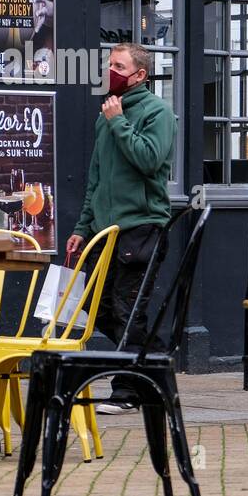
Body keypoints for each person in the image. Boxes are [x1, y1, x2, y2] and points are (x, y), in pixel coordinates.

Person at [66, 42, 176, 413]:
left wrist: (119, 122)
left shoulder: (157, 112)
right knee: (96, 311)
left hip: (141, 227)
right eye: (108, 63)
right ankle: (156, 363)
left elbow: (148, 159)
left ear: (139, 75)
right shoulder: (105, 115)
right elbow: (95, 179)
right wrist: (83, 226)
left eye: (118, 65)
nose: (109, 69)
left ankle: (127, 391)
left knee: (128, 310)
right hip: (103, 231)